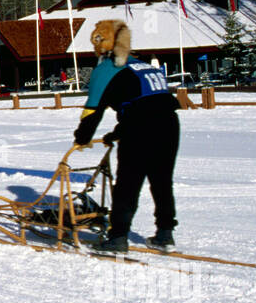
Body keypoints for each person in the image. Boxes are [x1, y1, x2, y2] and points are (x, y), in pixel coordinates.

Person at [72, 19, 180, 253]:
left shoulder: (107, 68)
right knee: (161, 182)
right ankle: (165, 234)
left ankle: (118, 238)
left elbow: (93, 110)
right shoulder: (143, 64)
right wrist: (118, 133)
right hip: (169, 125)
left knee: (127, 185)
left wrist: (82, 138)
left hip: (141, 128)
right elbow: (145, 102)